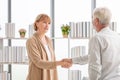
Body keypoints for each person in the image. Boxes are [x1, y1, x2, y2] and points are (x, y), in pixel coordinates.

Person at [63, 7, 120, 80]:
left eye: (92, 18)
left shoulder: (96, 38)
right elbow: (92, 56)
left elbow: (94, 67)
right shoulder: (117, 36)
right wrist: (72, 60)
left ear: (96, 21)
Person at [26, 13, 70, 80]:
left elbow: (52, 60)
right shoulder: (31, 41)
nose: (47, 25)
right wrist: (60, 63)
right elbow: (38, 62)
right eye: (44, 22)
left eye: (49, 23)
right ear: (37, 24)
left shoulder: (49, 40)